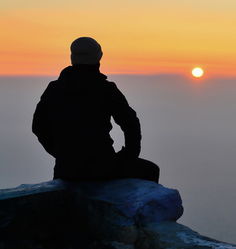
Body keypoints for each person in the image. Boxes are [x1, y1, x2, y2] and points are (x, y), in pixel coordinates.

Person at [32, 37, 160, 183]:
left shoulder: (54, 89)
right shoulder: (105, 89)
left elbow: (38, 127)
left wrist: (62, 155)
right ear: (98, 57)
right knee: (151, 170)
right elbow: (131, 123)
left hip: (66, 170)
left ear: (72, 58)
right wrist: (129, 155)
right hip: (103, 168)